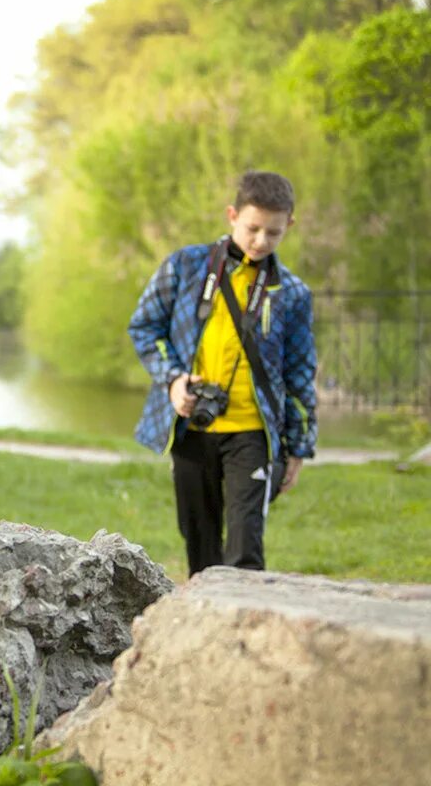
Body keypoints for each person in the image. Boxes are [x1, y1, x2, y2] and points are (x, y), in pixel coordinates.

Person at [128, 170, 318, 576]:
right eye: (252, 228)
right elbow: (143, 327)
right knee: (199, 541)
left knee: (245, 547)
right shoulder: (186, 266)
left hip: (253, 433)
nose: (261, 241)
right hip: (191, 428)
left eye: (274, 232)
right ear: (232, 215)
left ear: (290, 226)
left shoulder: (293, 294)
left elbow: (301, 372)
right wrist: (173, 379)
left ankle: (247, 636)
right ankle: (204, 633)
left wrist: (299, 447)